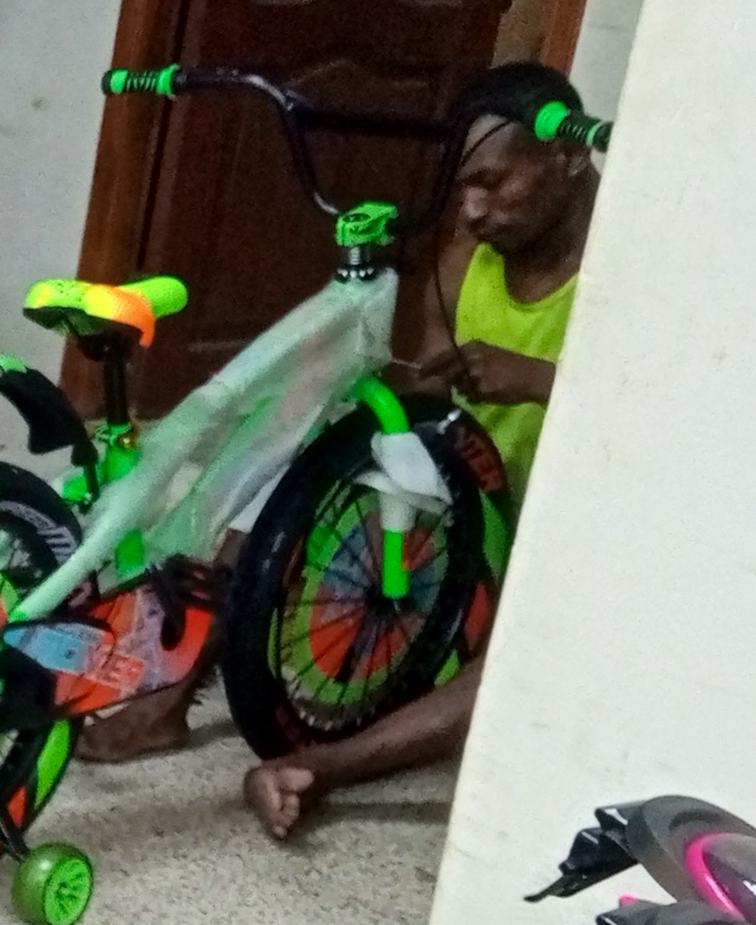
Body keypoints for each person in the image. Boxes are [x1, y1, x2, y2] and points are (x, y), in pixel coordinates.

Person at [240, 62, 596, 836]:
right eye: (462, 187)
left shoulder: (623, 271)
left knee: (515, 667)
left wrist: (539, 379)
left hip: (562, 540)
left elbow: (663, 422)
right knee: (279, 531)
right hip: (466, 507)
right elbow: (433, 410)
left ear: (569, 156)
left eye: (492, 184)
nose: (470, 210)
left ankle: (319, 769)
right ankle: (168, 703)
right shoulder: (470, 253)